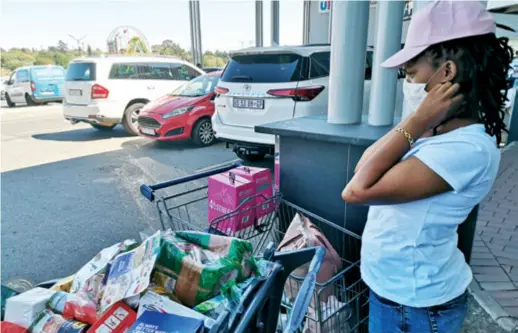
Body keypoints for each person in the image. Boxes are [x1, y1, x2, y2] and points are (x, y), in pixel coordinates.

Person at [341, 1, 513, 333]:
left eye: (411, 73)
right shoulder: (433, 134)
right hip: (396, 296)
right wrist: (418, 122)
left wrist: (418, 119)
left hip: (417, 309)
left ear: (446, 73)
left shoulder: (468, 149)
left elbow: (357, 190)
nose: (407, 84)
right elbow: (363, 166)